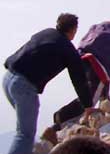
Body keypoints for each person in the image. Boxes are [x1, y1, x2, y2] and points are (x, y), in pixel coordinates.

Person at [43, 9, 110, 143]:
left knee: (95, 89)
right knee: (89, 101)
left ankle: (104, 104)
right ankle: (60, 119)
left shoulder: (102, 25)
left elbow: (85, 38)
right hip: (97, 65)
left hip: (79, 57)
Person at [3, 13, 93, 154]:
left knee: (23, 129)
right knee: (25, 135)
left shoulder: (45, 33)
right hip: (24, 87)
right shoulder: (68, 49)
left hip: (8, 78)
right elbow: (79, 79)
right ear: (74, 30)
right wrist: (88, 104)